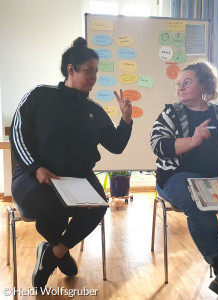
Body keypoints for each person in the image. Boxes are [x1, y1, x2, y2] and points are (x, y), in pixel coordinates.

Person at [9, 37, 132, 290]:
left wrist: (126, 121)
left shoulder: (95, 110)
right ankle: (60, 253)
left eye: (96, 71)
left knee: (98, 206)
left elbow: (116, 146)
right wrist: (35, 168)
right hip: (34, 176)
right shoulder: (40, 95)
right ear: (70, 70)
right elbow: (18, 134)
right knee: (47, 204)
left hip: (77, 178)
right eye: (89, 70)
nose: (94, 76)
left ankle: (54, 253)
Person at [150, 60, 218, 300]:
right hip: (176, 177)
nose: (180, 88)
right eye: (178, 84)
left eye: (187, 82)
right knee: (200, 205)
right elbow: (158, 144)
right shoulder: (171, 112)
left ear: (205, 85)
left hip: (217, 177)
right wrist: (193, 140)